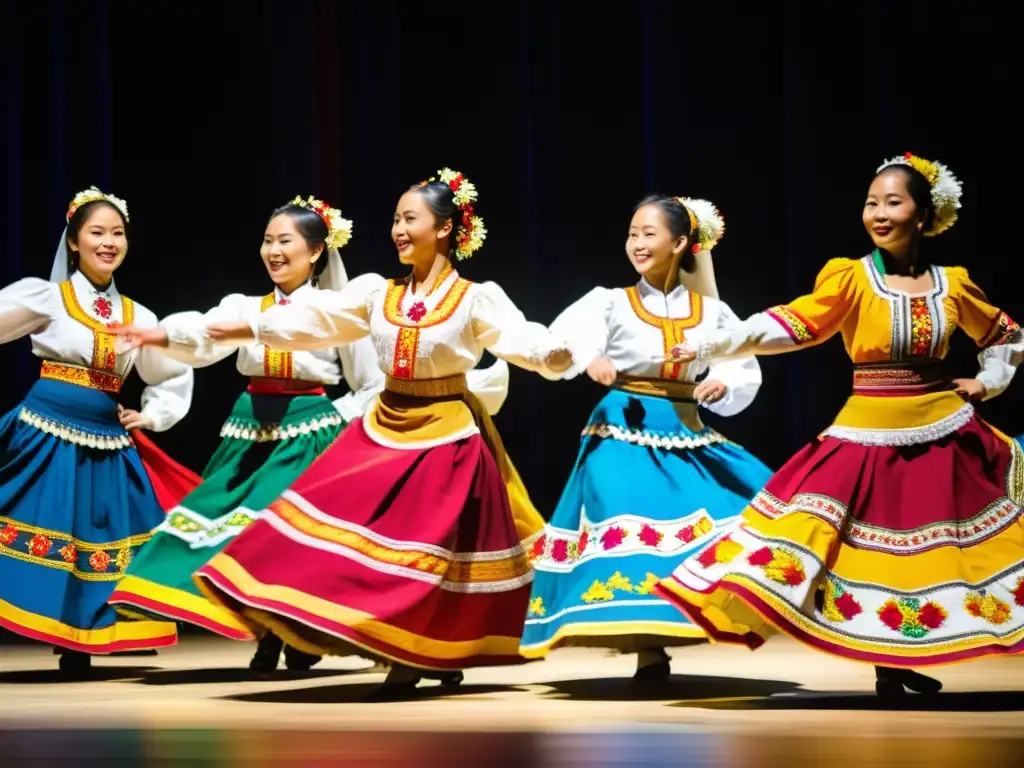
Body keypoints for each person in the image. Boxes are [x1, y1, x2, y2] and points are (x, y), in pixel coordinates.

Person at [121, 168, 571, 696]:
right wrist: (182, 331)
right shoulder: (376, 294)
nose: (398, 230)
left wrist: (553, 354)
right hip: (385, 430)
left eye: (410, 219)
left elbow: (519, 338)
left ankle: (424, 651)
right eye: (396, 220)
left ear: (444, 228)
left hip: (447, 434)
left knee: (430, 552)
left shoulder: (475, 298)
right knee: (342, 536)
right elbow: (303, 320)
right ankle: (347, 631)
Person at [655, 153, 1024, 694]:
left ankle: (900, 656)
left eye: (892, 202)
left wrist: (985, 382)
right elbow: (792, 323)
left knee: (939, 551)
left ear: (922, 216)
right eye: (871, 202)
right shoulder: (852, 278)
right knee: (843, 542)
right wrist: (715, 341)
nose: (878, 212)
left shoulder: (952, 284)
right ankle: (888, 661)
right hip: (867, 430)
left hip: (942, 426)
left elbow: (1005, 335)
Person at [520, 196, 772, 680]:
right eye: (632, 233)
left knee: (751, 508)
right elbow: (571, 338)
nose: (637, 243)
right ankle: (648, 648)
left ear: (680, 244)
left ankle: (683, 621)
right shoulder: (610, 301)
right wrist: (590, 359)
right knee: (627, 520)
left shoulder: (711, 312)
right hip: (621, 428)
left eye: (649, 234)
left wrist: (722, 384)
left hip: (684, 427)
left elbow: (739, 361)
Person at [0, 187, 192, 674]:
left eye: (117, 234)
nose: (109, 243)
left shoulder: (139, 316)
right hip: (44, 432)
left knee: (94, 539)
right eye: (97, 233)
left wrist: (152, 414)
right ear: (73, 242)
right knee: (41, 527)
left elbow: (170, 372)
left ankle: (81, 640)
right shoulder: (49, 298)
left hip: (105, 437)